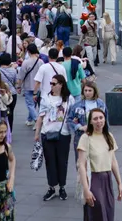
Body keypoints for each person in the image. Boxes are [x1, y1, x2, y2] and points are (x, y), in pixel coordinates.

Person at [77, 108, 122, 220]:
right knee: (97, 211)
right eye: (95, 119)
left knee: (108, 211)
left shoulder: (109, 136)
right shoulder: (86, 138)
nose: (99, 121)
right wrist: (86, 189)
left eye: (101, 118)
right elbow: (81, 166)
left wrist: (119, 183)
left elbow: (113, 161)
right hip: (94, 179)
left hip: (107, 179)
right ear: (90, 122)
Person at [34, 73, 74, 201]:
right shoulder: (45, 98)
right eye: (50, 83)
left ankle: (62, 187)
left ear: (61, 85)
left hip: (63, 133)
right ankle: (51, 187)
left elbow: (73, 116)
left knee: (62, 161)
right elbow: (40, 116)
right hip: (47, 132)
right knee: (50, 161)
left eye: (54, 83)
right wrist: (37, 133)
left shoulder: (69, 99)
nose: (51, 85)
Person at [68, 80, 108, 161]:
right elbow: (69, 119)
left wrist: (106, 135)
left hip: (98, 135)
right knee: (81, 162)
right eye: (85, 90)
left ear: (94, 91)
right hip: (82, 136)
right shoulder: (77, 105)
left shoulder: (101, 104)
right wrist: (79, 127)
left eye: (90, 90)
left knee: (97, 161)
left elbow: (106, 119)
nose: (87, 93)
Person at [18, 43, 42, 127]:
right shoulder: (41, 61)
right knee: (35, 104)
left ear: (28, 51)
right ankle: (30, 119)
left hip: (28, 85)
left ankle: (36, 120)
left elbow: (21, 76)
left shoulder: (26, 62)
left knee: (30, 104)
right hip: (38, 86)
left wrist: (19, 86)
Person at [0, 53, 19, 130]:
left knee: (1, 112)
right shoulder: (13, 70)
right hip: (12, 93)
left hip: (2, 93)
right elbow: (16, 82)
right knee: (10, 112)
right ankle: (9, 130)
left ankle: (1, 129)